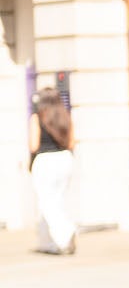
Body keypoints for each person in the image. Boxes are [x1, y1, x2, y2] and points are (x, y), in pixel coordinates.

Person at [29, 86, 77, 256]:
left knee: (47, 202)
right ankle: (46, 242)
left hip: (45, 161)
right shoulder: (65, 116)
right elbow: (71, 143)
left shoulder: (37, 117)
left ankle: (65, 233)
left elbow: (33, 145)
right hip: (65, 159)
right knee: (58, 200)